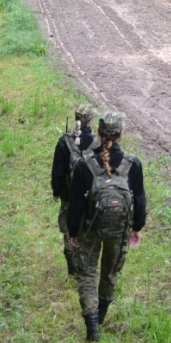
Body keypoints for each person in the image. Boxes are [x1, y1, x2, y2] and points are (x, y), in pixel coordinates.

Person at [67, 111, 147, 342]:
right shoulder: (133, 164)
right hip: (119, 229)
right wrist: (137, 228)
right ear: (121, 134)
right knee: (110, 272)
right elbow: (139, 198)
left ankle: (92, 325)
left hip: (90, 228)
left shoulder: (85, 165)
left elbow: (76, 205)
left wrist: (74, 232)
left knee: (87, 273)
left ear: (99, 133)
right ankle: (100, 316)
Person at [51, 103, 99, 276]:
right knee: (88, 231)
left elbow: (57, 171)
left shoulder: (65, 142)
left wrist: (57, 191)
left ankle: (73, 268)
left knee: (68, 230)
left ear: (76, 118)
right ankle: (86, 267)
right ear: (91, 120)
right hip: (92, 198)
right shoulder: (98, 142)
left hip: (69, 197)